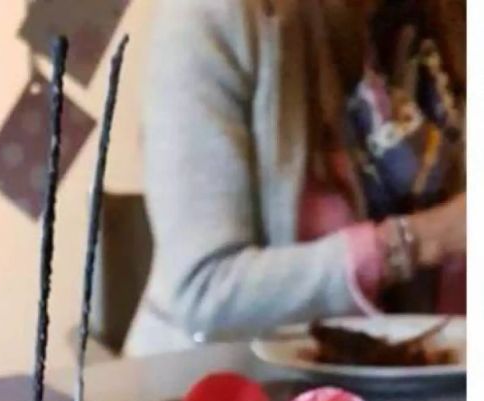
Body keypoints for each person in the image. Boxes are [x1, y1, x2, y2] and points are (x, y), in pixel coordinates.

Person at [126, 0, 466, 353]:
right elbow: (205, 292)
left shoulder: (428, 28)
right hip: (213, 388)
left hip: (398, 383)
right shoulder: (208, 15)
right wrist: (416, 242)